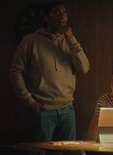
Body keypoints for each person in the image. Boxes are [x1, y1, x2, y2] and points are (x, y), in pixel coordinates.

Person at [9, 1, 90, 142]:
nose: (62, 17)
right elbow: (15, 71)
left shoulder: (69, 42)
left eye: (64, 13)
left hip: (67, 109)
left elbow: (84, 68)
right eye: (57, 12)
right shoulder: (31, 41)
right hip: (42, 111)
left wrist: (71, 39)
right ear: (46, 17)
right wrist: (29, 100)